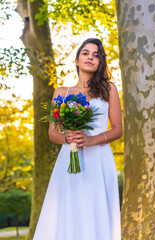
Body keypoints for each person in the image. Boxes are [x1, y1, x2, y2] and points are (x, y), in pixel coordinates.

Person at [33, 38, 122, 240]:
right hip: (69, 160)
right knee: (71, 209)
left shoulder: (109, 89)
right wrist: (67, 137)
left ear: (100, 62)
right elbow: (52, 133)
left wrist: (91, 140)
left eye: (96, 55)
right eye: (85, 53)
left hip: (99, 160)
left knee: (96, 208)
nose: (90, 57)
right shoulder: (61, 93)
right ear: (76, 60)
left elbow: (117, 129)